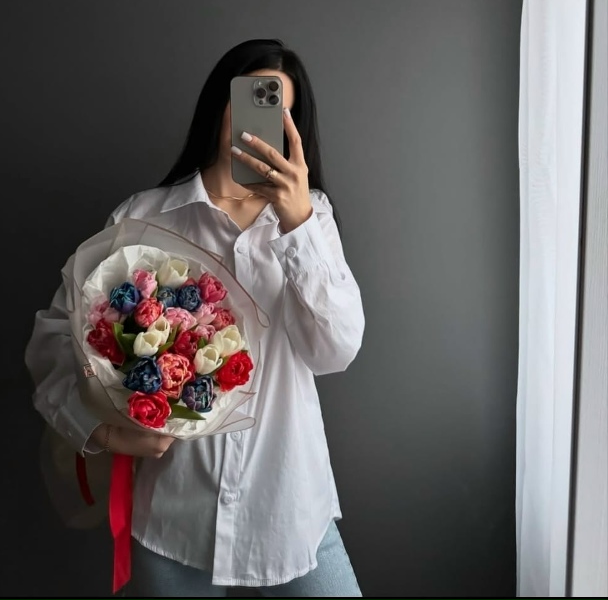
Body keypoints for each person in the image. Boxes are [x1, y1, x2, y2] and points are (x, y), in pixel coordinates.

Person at [25, 38, 365, 597]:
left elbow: (336, 351)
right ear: (219, 105)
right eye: (252, 99)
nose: (262, 121)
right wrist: (103, 431)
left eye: (279, 109)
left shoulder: (312, 219)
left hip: (290, 509)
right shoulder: (143, 217)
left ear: (295, 128)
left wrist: (298, 225)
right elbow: (59, 336)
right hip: (173, 515)